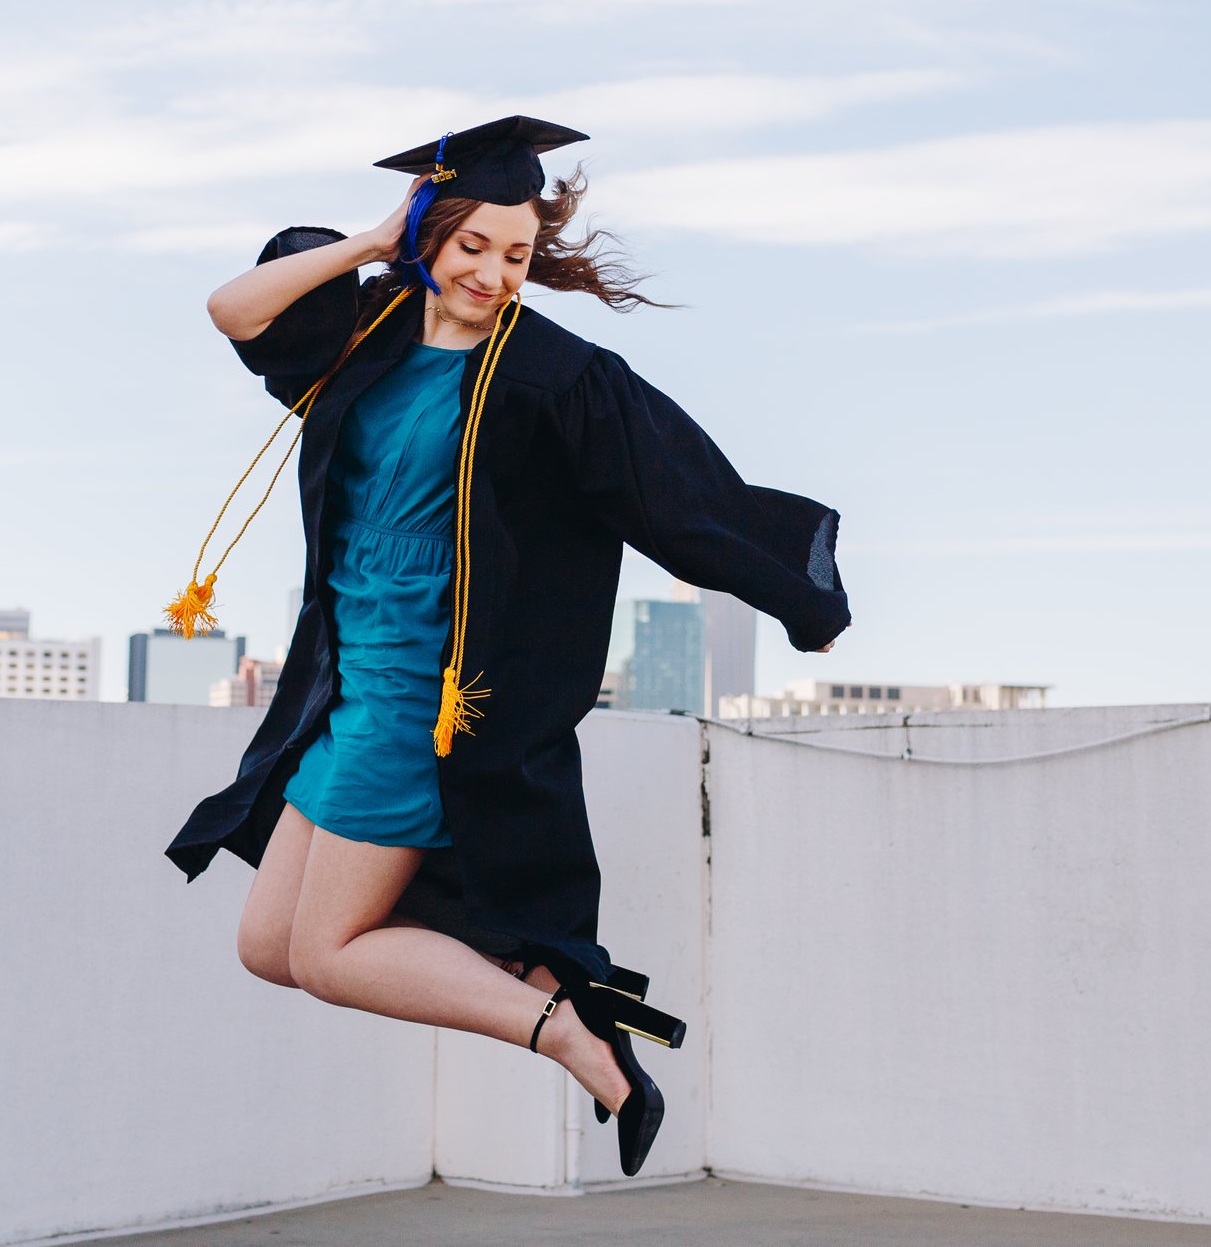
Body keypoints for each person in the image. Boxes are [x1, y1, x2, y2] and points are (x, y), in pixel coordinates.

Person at [164, 115, 851, 1175]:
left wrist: (789, 582)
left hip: (418, 698)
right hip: (340, 681)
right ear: (428, 235)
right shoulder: (367, 335)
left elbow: (675, 493)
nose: (492, 272)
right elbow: (232, 310)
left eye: (517, 253)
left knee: (326, 950)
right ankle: (549, 986)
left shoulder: (549, 377)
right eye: (472, 244)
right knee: (268, 948)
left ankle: (576, 1035)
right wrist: (368, 243)